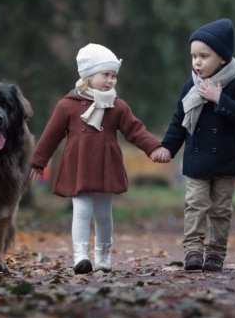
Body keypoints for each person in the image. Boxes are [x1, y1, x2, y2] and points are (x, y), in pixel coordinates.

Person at [31, 43, 170, 274]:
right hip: (79, 166)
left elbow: (135, 130)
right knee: (82, 211)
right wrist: (38, 161)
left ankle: (103, 254)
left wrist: (154, 148)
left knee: (104, 214)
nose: (110, 81)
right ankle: (81, 256)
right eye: (105, 74)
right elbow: (51, 135)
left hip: (106, 165)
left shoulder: (117, 105)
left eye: (113, 76)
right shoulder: (67, 105)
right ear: (88, 75)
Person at [153, 18, 235, 272]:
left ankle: (216, 254)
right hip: (197, 161)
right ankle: (194, 250)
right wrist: (167, 147)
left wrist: (220, 98)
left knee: (220, 210)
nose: (197, 62)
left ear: (222, 58)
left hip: (227, 162)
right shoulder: (192, 86)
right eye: (193, 56)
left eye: (204, 56)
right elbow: (179, 120)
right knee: (195, 206)